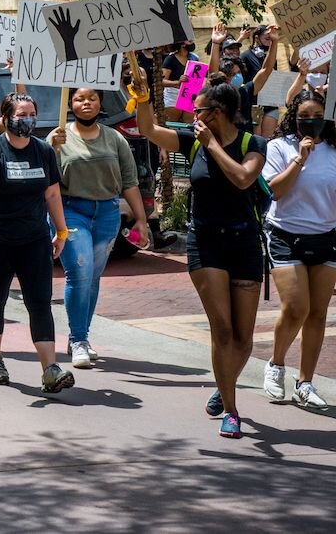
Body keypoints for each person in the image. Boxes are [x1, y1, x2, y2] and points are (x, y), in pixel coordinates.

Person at [132, 66, 267, 438]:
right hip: (205, 243)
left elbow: (242, 179)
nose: (193, 116)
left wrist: (211, 146)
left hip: (244, 243)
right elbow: (149, 131)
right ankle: (232, 408)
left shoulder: (251, 144)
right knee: (222, 331)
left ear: (218, 112)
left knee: (244, 339)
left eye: (199, 111)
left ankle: (222, 386)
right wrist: (143, 97)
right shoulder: (192, 140)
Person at [0, 92, 75, 394]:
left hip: (34, 240)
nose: (27, 120)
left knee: (40, 302)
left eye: (31, 114)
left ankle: (50, 369)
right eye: (20, 115)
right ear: (5, 119)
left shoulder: (43, 151)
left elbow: (52, 194)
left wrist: (61, 230)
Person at [48, 86, 147, 369]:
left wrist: (141, 219)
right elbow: (48, 183)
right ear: (71, 104)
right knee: (79, 272)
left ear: (100, 102)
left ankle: (81, 335)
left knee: (92, 277)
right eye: (79, 98)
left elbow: (129, 182)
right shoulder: (58, 138)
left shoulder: (115, 139)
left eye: (92, 98)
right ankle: (78, 340)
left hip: (106, 214)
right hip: (71, 213)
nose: (86, 103)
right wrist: (51, 147)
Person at [260, 91, 336, 408]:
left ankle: (305, 382)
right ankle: (275, 365)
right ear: (294, 117)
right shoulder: (279, 147)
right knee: (296, 308)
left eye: (317, 115)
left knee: (318, 314)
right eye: (305, 115)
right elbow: (274, 192)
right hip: (285, 234)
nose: (312, 121)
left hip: (326, 236)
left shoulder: (333, 149)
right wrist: (300, 158)